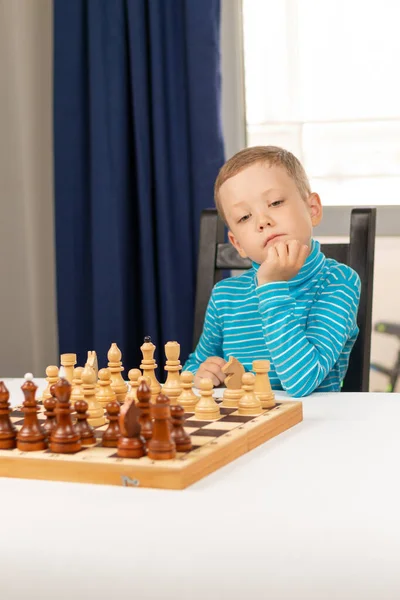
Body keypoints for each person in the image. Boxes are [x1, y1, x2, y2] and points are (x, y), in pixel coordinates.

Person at [183, 146, 361, 397]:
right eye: (245, 217)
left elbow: (302, 381)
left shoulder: (338, 282)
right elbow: (193, 369)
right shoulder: (225, 295)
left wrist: (271, 286)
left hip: (312, 426)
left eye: (275, 202)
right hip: (243, 424)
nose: (262, 221)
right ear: (238, 244)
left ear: (313, 210)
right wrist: (201, 375)